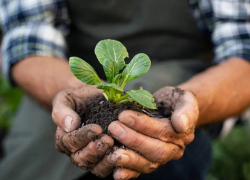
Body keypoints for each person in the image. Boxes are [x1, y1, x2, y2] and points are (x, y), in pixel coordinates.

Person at [0, 0, 250, 180]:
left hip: (186, 77)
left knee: (151, 141)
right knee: (28, 163)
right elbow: (28, 41)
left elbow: (243, 52)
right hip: (65, 80)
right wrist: (76, 96)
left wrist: (188, 108)